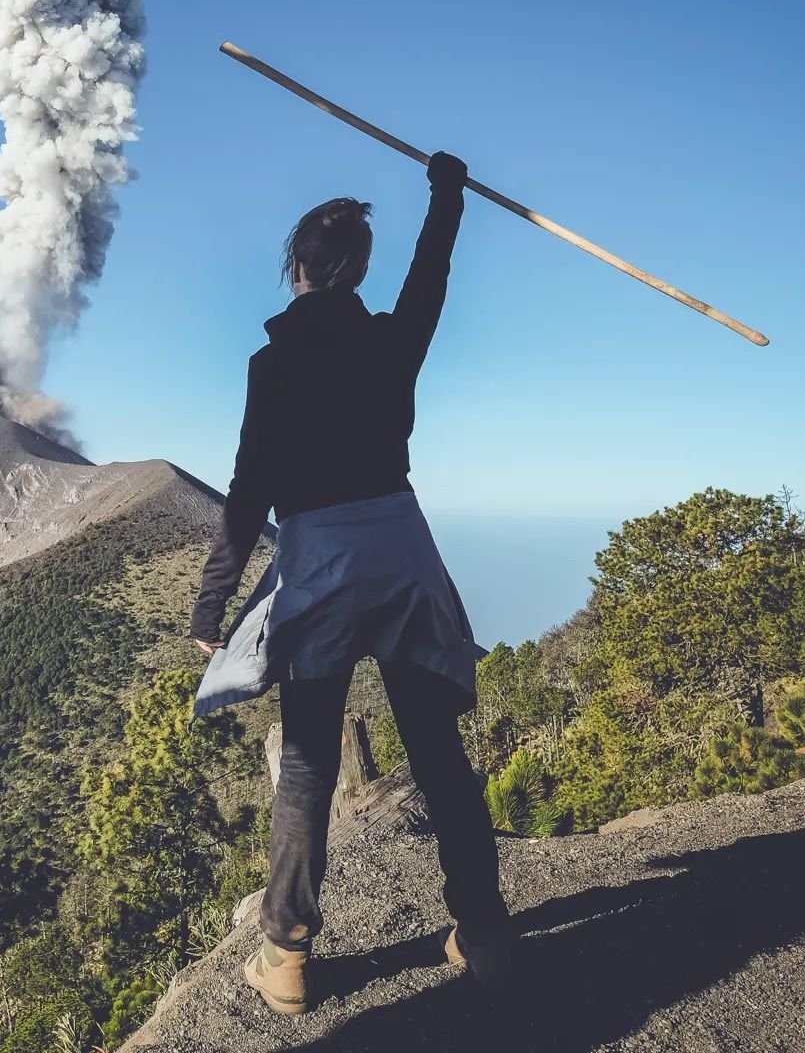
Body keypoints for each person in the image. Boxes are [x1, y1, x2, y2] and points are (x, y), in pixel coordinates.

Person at [188, 152, 515, 1016]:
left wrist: (212, 602)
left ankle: (287, 956)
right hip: (401, 549)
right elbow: (432, 272)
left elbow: (248, 488)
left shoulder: (274, 365)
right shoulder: (391, 337)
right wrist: (448, 193)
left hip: (322, 560)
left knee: (305, 764)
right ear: (359, 269)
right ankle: (485, 934)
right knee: (437, 752)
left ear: (297, 267)